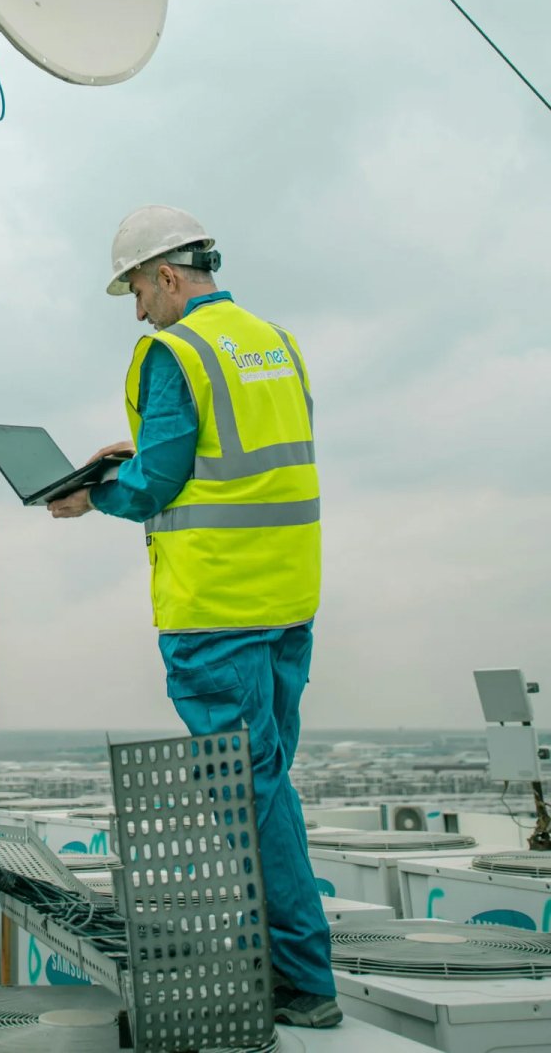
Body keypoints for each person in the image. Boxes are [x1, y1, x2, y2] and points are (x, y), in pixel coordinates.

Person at [49, 205, 340, 1031]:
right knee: (267, 781)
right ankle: (291, 961)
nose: (137, 310)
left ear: (167, 276)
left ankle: (302, 979)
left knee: (248, 796)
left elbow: (161, 482)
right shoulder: (272, 340)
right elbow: (238, 460)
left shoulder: (169, 351)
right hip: (287, 599)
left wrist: (93, 492)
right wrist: (134, 459)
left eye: (137, 290)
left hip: (215, 608)